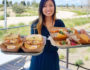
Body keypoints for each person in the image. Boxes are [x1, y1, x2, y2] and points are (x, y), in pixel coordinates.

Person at [29, 0, 65, 70]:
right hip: (37, 61)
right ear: (41, 9)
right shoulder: (35, 24)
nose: (48, 8)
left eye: (50, 5)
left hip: (53, 61)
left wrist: (79, 33)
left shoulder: (59, 23)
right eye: (44, 6)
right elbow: (31, 44)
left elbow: (65, 39)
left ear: (54, 7)